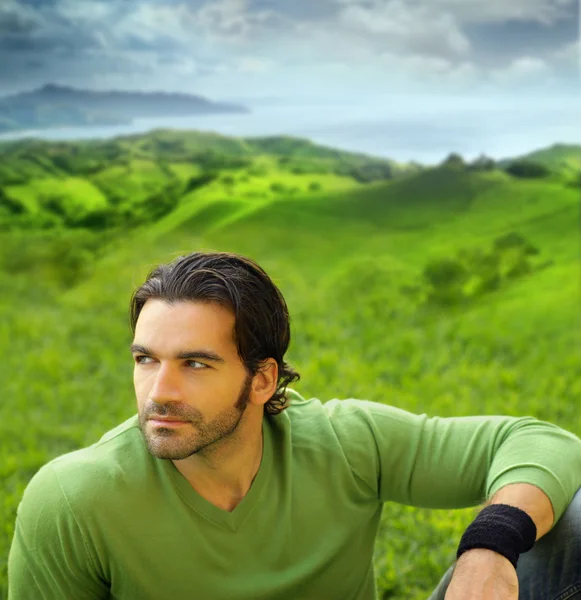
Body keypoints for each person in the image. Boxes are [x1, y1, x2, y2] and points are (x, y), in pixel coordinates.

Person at [7, 251, 581, 600]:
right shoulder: (74, 500)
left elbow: (539, 442)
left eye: (196, 364)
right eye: (145, 359)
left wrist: (491, 548)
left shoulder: (346, 443)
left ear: (262, 381)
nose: (159, 391)